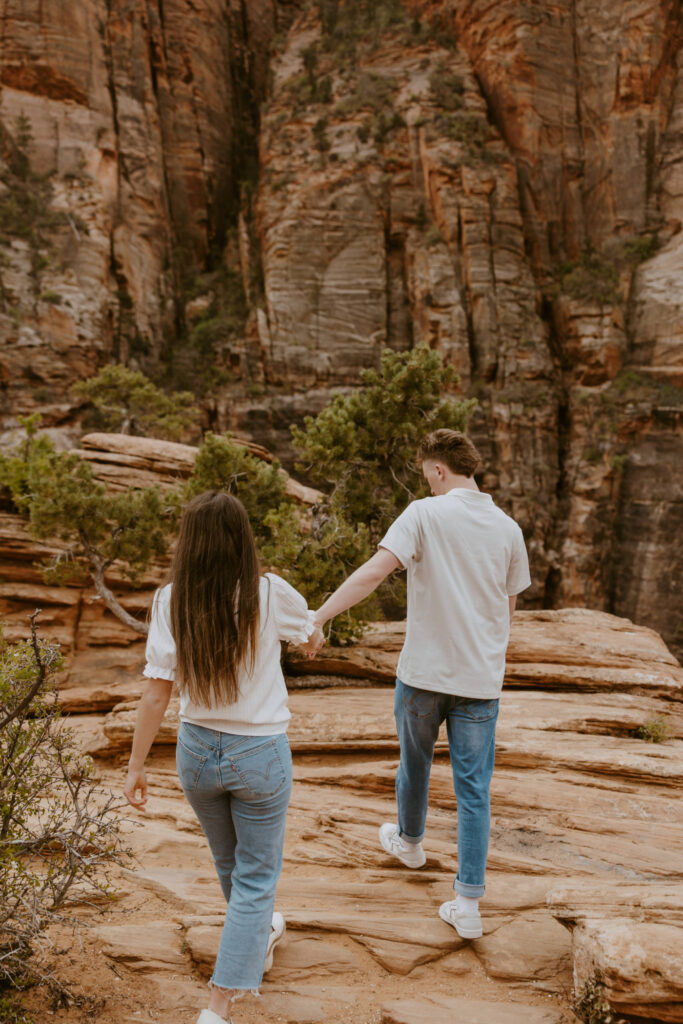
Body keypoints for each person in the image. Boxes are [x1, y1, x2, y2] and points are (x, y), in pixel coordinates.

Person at [310, 429, 530, 939]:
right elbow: (508, 608)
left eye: (425, 474)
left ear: (437, 470)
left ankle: (409, 844)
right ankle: (468, 904)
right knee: (474, 791)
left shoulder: (424, 514)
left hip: (424, 675)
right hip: (480, 681)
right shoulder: (508, 528)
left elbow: (373, 573)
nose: (426, 483)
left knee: (416, 764)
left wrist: (319, 616)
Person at [123, 491, 323, 1024]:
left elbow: (156, 693)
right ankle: (217, 1007)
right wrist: (312, 634)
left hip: (195, 753)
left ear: (190, 544)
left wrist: (136, 765)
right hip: (258, 752)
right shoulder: (269, 592)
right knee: (256, 876)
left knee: (231, 865)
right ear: (242, 538)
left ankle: (258, 934)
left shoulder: (170, 600)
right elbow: (310, 635)